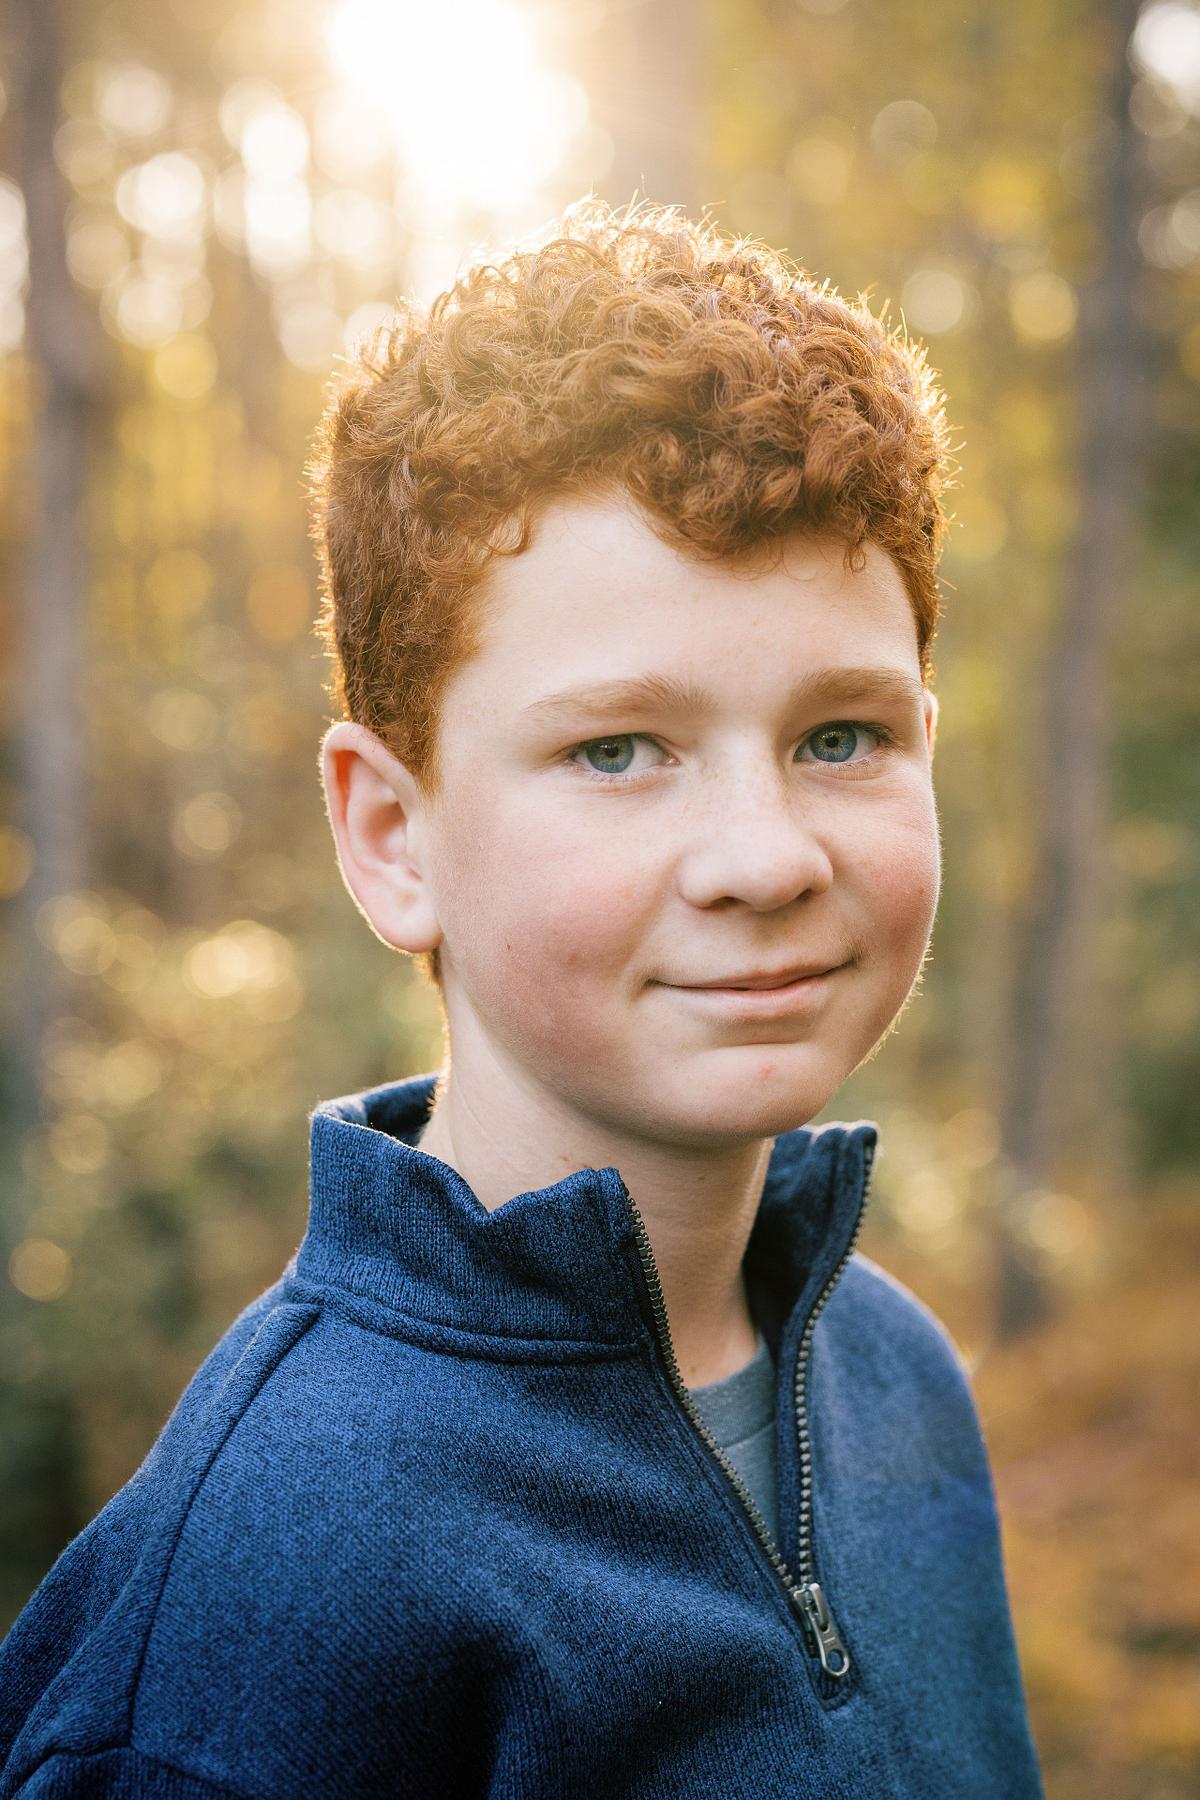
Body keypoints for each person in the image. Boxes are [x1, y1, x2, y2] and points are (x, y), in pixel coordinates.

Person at [0, 195, 1045, 1797]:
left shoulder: (893, 1381)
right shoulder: (270, 1603)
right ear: (391, 836)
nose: (763, 857)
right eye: (617, 751)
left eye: (843, 736)